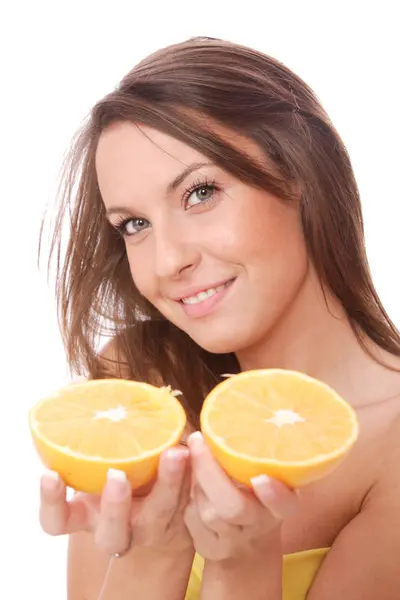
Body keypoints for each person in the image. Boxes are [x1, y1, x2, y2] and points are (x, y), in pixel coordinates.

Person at [38, 36, 400, 600]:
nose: (168, 261)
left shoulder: (393, 449)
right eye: (134, 225)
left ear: (300, 172)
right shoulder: (139, 381)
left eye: (200, 193)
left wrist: (242, 564)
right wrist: (154, 549)